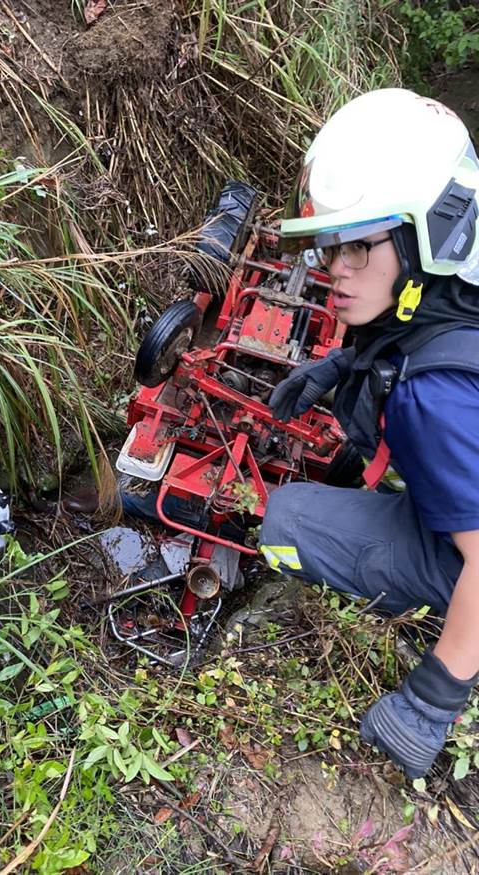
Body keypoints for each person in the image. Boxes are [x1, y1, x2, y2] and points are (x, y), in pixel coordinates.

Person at [259, 88, 479, 779]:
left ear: (423, 236)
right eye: (328, 247)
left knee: (286, 522)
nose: (335, 271)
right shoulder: (458, 276)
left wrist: (429, 699)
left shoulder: (430, 401)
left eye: (359, 245)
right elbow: (427, 328)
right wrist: (339, 363)